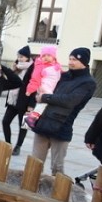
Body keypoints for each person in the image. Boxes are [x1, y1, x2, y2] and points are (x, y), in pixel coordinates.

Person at [30, 47, 96, 175]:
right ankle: (29, 190)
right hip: (43, 123)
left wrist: (45, 97)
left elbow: (70, 100)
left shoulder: (88, 82)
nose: (71, 62)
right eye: (70, 59)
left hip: (61, 126)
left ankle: (57, 194)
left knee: (57, 167)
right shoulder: (62, 75)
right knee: (34, 163)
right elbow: (46, 85)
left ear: (85, 62)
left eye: (75, 60)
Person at [1, 46, 35, 155]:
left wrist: (32, 104)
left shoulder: (33, 68)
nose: (19, 58)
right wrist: (12, 70)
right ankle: (8, 144)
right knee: (5, 122)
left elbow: (35, 87)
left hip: (26, 102)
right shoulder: (16, 67)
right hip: (13, 101)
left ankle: (18, 146)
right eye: (18, 56)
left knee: (24, 125)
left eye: (22, 57)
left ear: (27, 57)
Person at [23, 44, 62, 129]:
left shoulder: (56, 66)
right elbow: (35, 78)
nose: (46, 57)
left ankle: (34, 117)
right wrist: (30, 90)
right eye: (44, 56)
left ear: (53, 57)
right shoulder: (40, 66)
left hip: (52, 87)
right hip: (44, 87)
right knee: (45, 101)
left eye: (49, 55)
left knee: (44, 104)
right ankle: (31, 118)